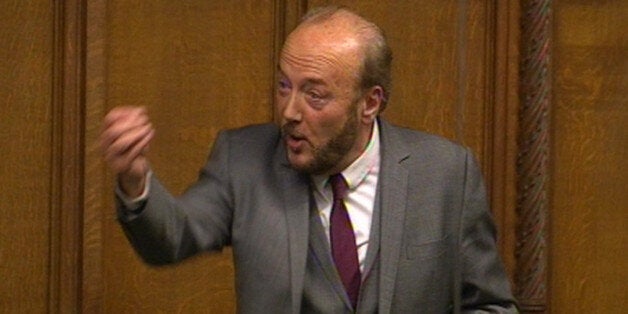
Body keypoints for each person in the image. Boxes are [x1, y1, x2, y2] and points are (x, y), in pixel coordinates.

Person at [100, 6, 518, 313]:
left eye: (314, 94)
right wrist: (135, 181)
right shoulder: (243, 161)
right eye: (285, 86)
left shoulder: (445, 173)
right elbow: (172, 239)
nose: (290, 112)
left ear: (369, 102)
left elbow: (490, 305)